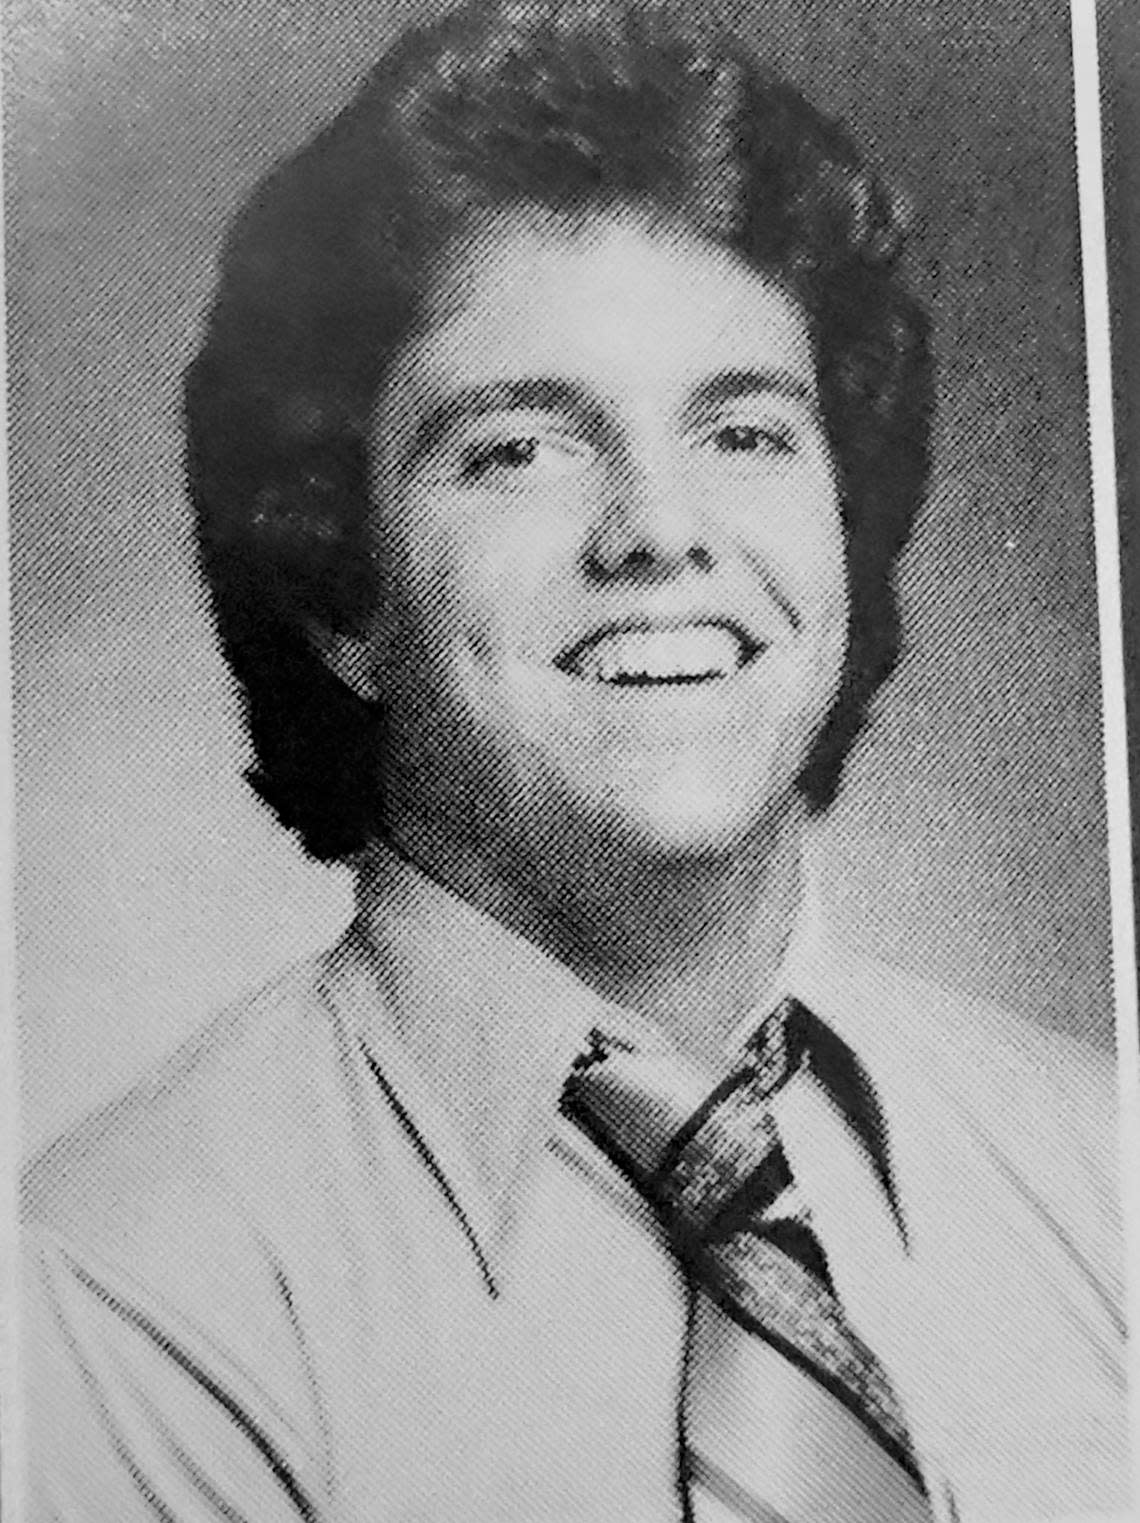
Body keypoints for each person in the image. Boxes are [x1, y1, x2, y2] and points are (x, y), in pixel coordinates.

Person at [21, 2, 1131, 1519]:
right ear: (343, 592)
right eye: (521, 447)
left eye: (743, 432)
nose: (659, 531)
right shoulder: (107, 1297)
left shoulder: (1103, 1170)